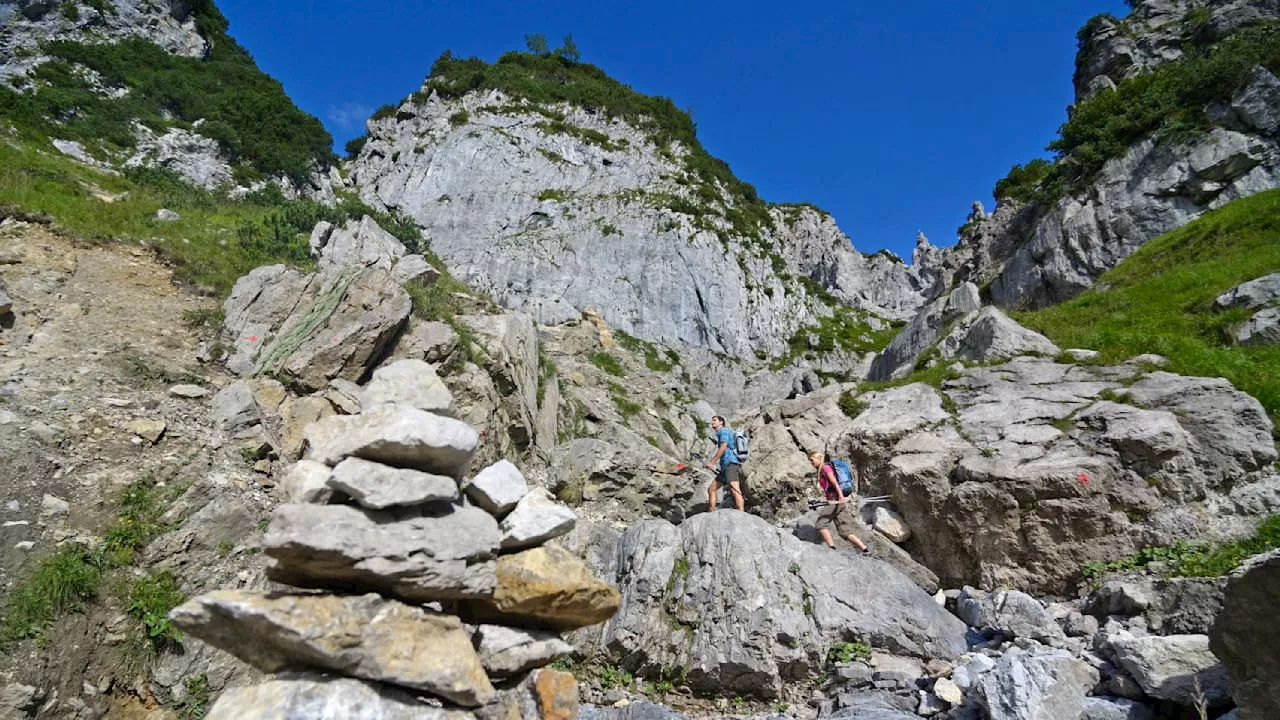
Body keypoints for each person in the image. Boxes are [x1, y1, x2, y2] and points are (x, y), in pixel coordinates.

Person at [808, 451, 870, 555]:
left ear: (818, 458)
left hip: (835, 500)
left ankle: (832, 549)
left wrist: (841, 497)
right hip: (838, 502)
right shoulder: (822, 470)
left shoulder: (825, 468)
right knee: (844, 531)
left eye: (812, 460)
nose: (811, 463)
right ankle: (865, 549)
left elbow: (834, 482)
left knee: (821, 524)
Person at [705, 415, 745, 512]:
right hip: (725, 467)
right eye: (712, 420)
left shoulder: (724, 431)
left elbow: (723, 447)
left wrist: (712, 462)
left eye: (714, 420)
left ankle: (741, 512)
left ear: (721, 422)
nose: (712, 422)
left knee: (734, 488)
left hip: (731, 464)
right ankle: (711, 513)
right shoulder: (721, 433)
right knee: (711, 489)